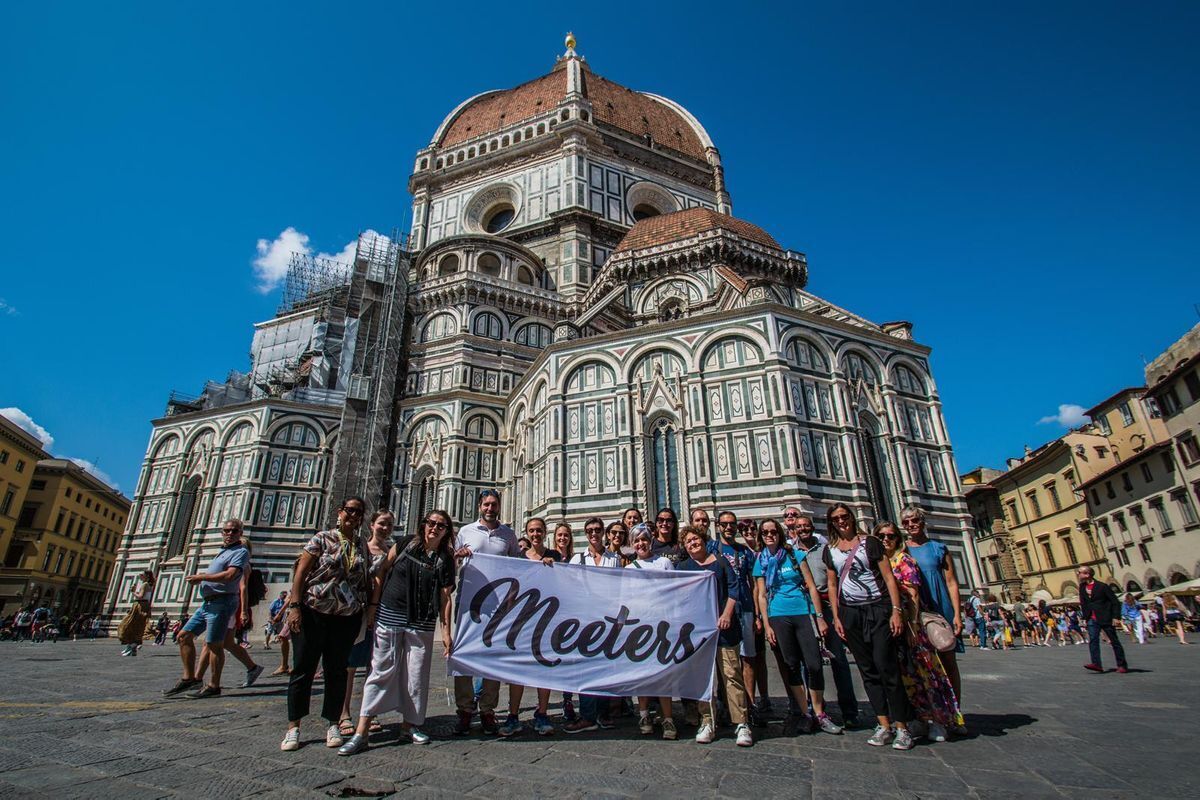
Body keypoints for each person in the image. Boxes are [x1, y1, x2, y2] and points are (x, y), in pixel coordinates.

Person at [337, 509, 456, 755]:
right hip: (391, 613)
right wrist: (373, 607)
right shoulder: (404, 544)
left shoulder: (445, 557)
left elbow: (445, 598)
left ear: (446, 531)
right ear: (423, 525)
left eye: (441, 526)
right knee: (381, 670)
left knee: (416, 674)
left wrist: (446, 631)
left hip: (422, 620)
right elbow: (382, 572)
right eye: (431, 523)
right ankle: (362, 730)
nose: (434, 528)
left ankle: (409, 725)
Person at [280, 497, 373, 752]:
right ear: (340, 512)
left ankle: (333, 723)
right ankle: (293, 727)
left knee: (337, 671)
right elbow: (301, 572)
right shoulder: (321, 538)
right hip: (314, 613)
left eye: (358, 512)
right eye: (350, 511)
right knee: (303, 669)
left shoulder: (361, 544)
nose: (353, 516)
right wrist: (295, 607)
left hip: (346, 617)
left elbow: (366, 580)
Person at [823, 504, 914, 750]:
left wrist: (896, 611)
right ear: (831, 523)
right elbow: (832, 584)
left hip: (878, 610)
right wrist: (838, 617)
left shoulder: (871, 543)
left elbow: (888, 577)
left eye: (844, 517)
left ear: (852, 518)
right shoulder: (830, 550)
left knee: (887, 667)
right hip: (850, 614)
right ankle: (883, 724)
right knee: (867, 670)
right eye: (836, 519)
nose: (841, 521)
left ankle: (902, 727)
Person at [753, 518, 841, 737]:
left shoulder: (794, 555)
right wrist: (766, 624)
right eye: (765, 532)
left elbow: (811, 586)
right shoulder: (760, 560)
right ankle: (805, 713)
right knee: (791, 664)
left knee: (813, 664)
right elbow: (761, 595)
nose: (769, 535)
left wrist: (819, 616)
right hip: (778, 615)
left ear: (780, 533)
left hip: (802, 612)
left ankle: (819, 712)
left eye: (773, 531)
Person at [879, 522, 964, 743]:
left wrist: (914, 625)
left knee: (927, 672)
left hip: (910, 624)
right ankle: (917, 718)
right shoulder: (878, 561)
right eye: (881, 536)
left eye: (890, 536)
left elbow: (914, 594)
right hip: (887, 622)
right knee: (904, 674)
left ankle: (940, 720)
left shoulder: (905, 560)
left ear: (898, 539)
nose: (886, 540)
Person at [451, 489, 521, 736]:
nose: (490, 508)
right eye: (486, 504)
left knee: (492, 657)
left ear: (500, 506)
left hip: (498, 606)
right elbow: (452, 561)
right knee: (464, 656)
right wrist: (457, 556)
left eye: (494, 504)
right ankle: (465, 710)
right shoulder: (465, 532)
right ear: (480, 506)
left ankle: (488, 711)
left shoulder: (508, 535)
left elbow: (519, 566)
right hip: (469, 603)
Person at [679, 524, 754, 746]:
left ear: (703, 539)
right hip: (699, 632)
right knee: (704, 679)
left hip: (724, 629)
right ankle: (707, 721)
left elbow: (734, 589)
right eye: (688, 542)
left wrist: (727, 614)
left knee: (731, 675)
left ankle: (741, 723)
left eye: (696, 539)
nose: (693, 543)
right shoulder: (684, 567)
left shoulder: (720, 562)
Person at [786, 507, 860, 728]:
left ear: (813, 527)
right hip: (803, 608)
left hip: (827, 607)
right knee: (808, 662)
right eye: (797, 526)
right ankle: (811, 709)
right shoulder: (790, 551)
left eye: (805, 525)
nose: (802, 529)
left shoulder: (826, 548)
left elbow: (833, 579)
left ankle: (849, 710)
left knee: (838, 658)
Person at [163, 519, 250, 699]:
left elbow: (231, 575)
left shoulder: (241, 551)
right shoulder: (222, 551)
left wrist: (203, 576)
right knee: (183, 636)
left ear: (240, 533)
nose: (229, 534)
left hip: (223, 602)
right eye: (226, 530)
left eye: (234, 531)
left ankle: (213, 685)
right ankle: (189, 679)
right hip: (207, 603)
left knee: (214, 644)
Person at [898, 506, 964, 713]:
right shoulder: (901, 550)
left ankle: (956, 712)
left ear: (923, 521)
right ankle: (931, 713)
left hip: (940, 606)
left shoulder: (939, 548)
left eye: (915, 520)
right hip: (914, 609)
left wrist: (957, 614)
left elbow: (951, 582)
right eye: (906, 522)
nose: (911, 525)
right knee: (921, 663)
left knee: (948, 659)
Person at [499, 518, 560, 737]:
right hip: (522, 619)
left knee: (545, 667)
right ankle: (513, 715)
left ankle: (542, 714)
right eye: (532, 531)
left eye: (539, 531)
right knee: (519, 669)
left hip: (547, 618)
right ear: (526, 533)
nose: (535, 534)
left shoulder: (555, 557)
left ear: (545, 532)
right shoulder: (519, 558)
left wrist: (553, 569)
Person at [562, 518, 622, 735]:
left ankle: (603, 715)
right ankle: (588, 716)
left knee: (605, 669)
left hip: (608, 622)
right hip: (585, 623)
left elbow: (621, 589)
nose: (594, 534)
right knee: (586, 670)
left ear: (603, 532)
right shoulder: (578, 558)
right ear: (585, 534)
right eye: (590, 531)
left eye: (597, 530)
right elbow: (565, 584)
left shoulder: (614, 559)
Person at [338, 510, 394, 739]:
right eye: (382, 523)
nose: (386, 528)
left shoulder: (392, 552)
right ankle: (343, 715)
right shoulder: (358, 548)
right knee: (349, 666)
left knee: (375, 666)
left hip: (382, 612)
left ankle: (369, 712)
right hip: (357, 611)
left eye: (389, 524)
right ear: (371, 525)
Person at [710, 510, 761, 725]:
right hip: (723, 611)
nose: (728, 527)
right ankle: (725, 703)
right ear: (719, 526)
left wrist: (758, 614)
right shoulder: (712, 548)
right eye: (724, 524)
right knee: (725, 659)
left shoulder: (745, 552)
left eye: (732, 524)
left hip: (746, 609)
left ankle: (749, 704)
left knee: (747, 658)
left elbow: (755, 584)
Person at [626, 524, 677, 739]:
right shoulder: (629, 569)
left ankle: (668, 718)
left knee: (663, 674)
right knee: (642, 675)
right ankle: (644, 714)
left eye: (644, 539)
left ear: (651, 540)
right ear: (632, 544)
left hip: (663, 626)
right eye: (636, 540)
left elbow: (676, 590)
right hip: (640, 628)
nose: (641, 543)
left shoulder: (664, 562)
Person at [1078, 566, 1129, 673]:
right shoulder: (1082, 587)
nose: (1078, 574)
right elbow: (1084, 603)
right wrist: (1084, 617)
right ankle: (1096, 664)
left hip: (1105, 617)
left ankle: (1122, 665)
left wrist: (1116, 616)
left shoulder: (1102, 586)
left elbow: (1114, 601)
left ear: (1087, 574)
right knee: (1093, 641)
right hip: (1091, 618)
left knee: (1114, 641)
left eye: (1080, 572)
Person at [120, 570, 155, 656]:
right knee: (136, 627)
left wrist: (133, 591)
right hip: (144, 606)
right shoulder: (148, 585)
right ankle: (131, 647)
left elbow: (140, 596)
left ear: (146, 576)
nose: (140, 575)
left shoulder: (145, 584)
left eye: (142, 574)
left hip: (140, 605)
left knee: (128, 625)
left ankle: (132, 647)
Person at [266, 591, 289, 669]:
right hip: (273, 619)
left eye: (285, 595)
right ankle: (266, 644)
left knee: (281, 635)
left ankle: (284, 665)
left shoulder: (284, 602)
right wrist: (270, 619)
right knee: (269, 632)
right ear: (280, 595)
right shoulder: (275, 601)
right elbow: (270, 610)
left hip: (280, 621)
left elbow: (285, 611)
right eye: (283, 595)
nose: (284, 596)